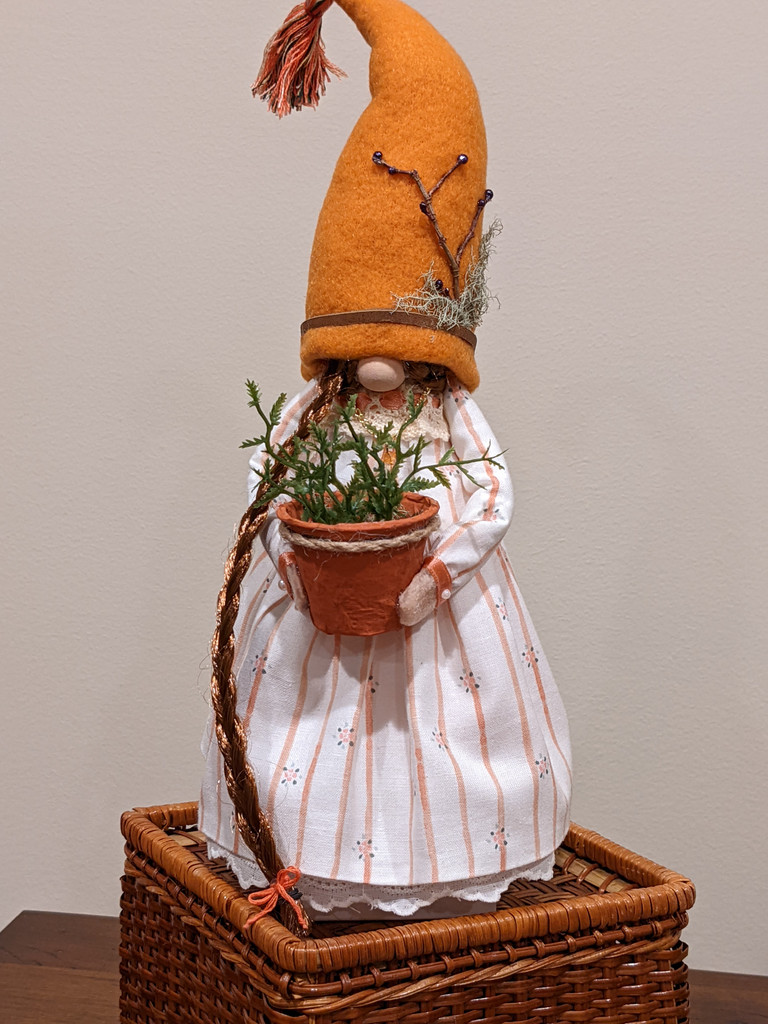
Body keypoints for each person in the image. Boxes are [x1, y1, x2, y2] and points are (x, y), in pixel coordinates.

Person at [202, 0, 572, 922]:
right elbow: (267, 486)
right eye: (363, 343)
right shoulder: (314, 413)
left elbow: (490, 494)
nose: (378, 366)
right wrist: (295, 563)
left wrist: (438, 575)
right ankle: (311, 868)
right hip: (319, 612)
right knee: (297, 746)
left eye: (397, 346)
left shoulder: (449, 413)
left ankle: (439, 880)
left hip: (436, 616)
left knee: (453, 740)